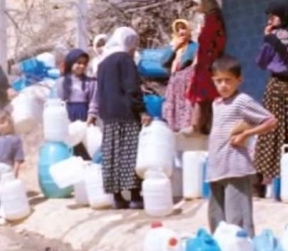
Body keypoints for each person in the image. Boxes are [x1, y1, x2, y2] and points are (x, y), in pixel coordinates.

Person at [207, 55, 277, 236]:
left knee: (237, 220)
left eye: (228, 80)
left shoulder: (242, 100)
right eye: (218, 81)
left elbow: (270, 121)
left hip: (236, 167)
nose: (223, 85)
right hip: (217, 169)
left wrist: (246, 134)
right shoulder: (217, 103)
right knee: (217, 219)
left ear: (239, 80)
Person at [96, 27, 150, 210]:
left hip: (108, 116)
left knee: (113, 155)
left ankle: (117, 198)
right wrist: (142, 110)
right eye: (133, 45)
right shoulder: (125, 60)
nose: (134, 49)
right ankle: (135, 196)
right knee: (130, 154)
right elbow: (132, 87)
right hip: (126, 113)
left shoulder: (102, 63)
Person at [252, 1, 288, 185]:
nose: (270, 19)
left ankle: (264, 178)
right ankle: (287, 178)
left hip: (277, 88)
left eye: (274, 15)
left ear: (284, 15)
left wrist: (266, 38)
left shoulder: (274, 38)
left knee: (271, 130)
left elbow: (261, 62)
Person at [184, 0, 227, 135]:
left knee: (202, 95)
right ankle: (204, 126)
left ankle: (196, 126)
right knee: (205, 95)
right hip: (207, 62)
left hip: (208, 63)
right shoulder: (211, 19)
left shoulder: (212, 20)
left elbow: (211, 43)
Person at [55, 48, 98, 159]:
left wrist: (90, 118)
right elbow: (59, 101)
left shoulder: (91, 82)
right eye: (78, 63)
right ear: (70, 63)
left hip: (84, 114)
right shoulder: (62, 81)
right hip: (68, 114)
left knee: (85, 145)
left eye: (84, 63)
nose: (82, 66)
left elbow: (94, 101)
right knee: (70, 145)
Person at [0, 110, 25, 226]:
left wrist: (15, 171)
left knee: (4, 191)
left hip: (6, 167)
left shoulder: (15, 139)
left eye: (2, 123)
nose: (0, 127)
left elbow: (18, 157)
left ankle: (4, 214)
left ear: (10, 122)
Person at [161, 19, 199, 132]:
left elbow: (195, 63)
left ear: (189, 30)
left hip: (187, 82)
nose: (181, 32)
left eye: (183, 28)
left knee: (186, 106)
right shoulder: (173, 46)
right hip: (174, 82)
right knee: (172, 107)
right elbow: (163, 62)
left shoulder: (194, 47)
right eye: (178, 30)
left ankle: (185, 130)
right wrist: (175, 48)